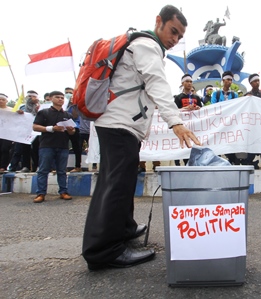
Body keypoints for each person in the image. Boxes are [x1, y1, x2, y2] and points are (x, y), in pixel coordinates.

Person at [82, 5, 201, 271]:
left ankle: (125, 228)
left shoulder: (140, 43)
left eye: (180, 36)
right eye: (173, 31)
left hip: (120, 124)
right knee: (115, 186)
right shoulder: (148, 45)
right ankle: (104, 251)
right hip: (119, 124)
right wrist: (177, 124)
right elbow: (157, 84)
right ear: (158, 21)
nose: (175, 39)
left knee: (120, 181)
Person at [32, 91, 76, 203]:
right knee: (43, 171)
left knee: (62, 171)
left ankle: (63, 192)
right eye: (57, 97)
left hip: (63, 146)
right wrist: (51, 128)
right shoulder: (43, 112)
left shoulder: (67, 115)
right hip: (47, 145)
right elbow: (35, 127)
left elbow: (72, 133)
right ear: (51, 98)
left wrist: (71, 130)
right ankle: (40, 193)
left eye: (62, 98)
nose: (60, 99)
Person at [210, 71, 240, 164]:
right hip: (219, 124)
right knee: (217, 144)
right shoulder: (216, 94)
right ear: (223, 80)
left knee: (230, 146)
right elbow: (213, 107)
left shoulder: (235, 95)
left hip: (230, 125)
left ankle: (233, 163)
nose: (230, 82)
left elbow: (237, 107)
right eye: (228, 79)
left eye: (231, 80)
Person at [173, 73, 202, 166]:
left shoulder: (197, 97)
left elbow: (203, 111)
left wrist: (197, 108)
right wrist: (185, 109)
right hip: (183, 127)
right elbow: (174, 111)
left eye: (191, 81)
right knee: (186, 149)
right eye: (187, 81)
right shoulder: (178, 97)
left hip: (195, 127)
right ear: (182, 83)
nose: (189, 83)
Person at [10, 90, 40, 172]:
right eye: (29, 96)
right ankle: (25, 166)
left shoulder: (40, 107)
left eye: (33, 96)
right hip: (25, 130)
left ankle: (37, 165)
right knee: (25, 149)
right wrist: (18, 113)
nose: (31, 98)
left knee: (36, 148)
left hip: (36, 131)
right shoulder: (22, 107)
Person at [65, 87, 83, 172]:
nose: (68, 94)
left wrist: (73, 104)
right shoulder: (64, 105)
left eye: (70, 92)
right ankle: (61, 166)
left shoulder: (76, 105)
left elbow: (75, 116)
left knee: (77, 148)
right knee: (63, 148)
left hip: (75, 127)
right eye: (66, 92)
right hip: (64, 128)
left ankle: (77, 166)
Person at [0, 93, 14, 173]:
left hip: (7, 133)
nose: (1, 101)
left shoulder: (11, 110)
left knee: (5, 149)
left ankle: (3, 166)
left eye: (3, 99)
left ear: (6, 101)